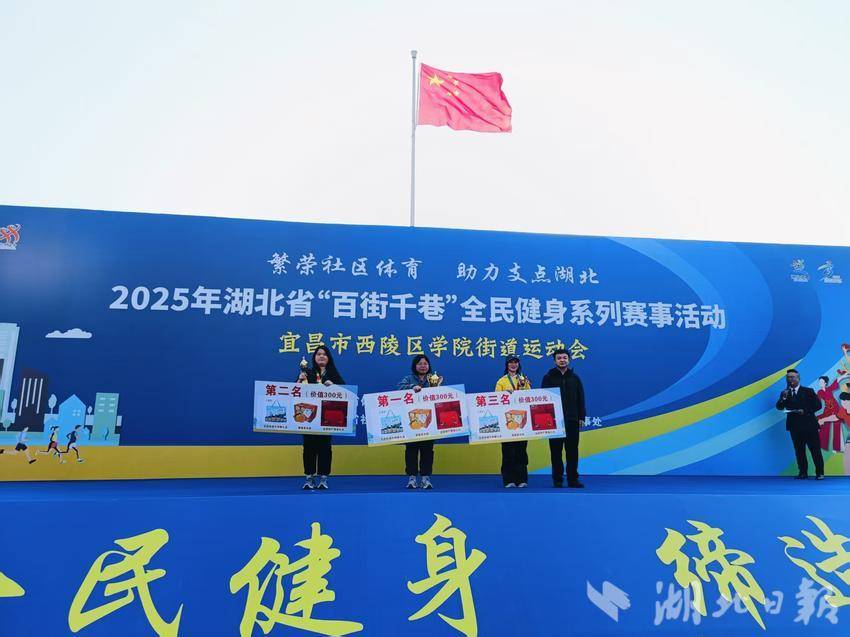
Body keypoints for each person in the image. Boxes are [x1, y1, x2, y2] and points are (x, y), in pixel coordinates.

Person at [296, 346, 344, 490]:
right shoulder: (307, 373)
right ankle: (309, 478)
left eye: (324, 354)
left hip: (326, 418)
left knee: (325, 448)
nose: (321, 356)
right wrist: (299, 380)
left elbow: (345, 393)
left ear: (329, 358)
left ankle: (323, 478)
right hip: (308, 417)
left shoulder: (333, 373)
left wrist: (334, 386)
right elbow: (295, 392)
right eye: (318, 354)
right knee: (308, 448)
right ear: (314, 357)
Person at [541, 348, 585, 488]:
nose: (562, 360)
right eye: (559, 358)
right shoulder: (548, 378)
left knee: (572, 451)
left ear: (569, 360)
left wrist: (581, 417)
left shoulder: (575, 378)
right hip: (553, 421)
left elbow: (580, 398)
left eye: (565, 358)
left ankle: (573, 479)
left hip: (572, 419)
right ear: (555, 361)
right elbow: (543, 400)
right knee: (555, 452)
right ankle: (557, 479)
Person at [398, 354, 439, 490]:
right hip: (412, 421)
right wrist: (412, 387)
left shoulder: (434, 379)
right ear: (415, 366)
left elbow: (441, 394)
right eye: (420, 364)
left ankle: (426, 478)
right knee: (411, 450)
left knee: (428, 450)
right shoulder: (408, 378)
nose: (423, 366)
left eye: (425, 363)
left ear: (429, 366)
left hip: (429, 422)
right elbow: (399, 388)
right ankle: (412, 477)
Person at [776, 368, 824, 480]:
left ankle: (820, 473)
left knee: (815, 449)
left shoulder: (808, 391)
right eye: (788, 377)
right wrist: (783, 398)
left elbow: (818, 405)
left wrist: (805, 411)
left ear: (798, 378)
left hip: (809, 425)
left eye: (793, 377)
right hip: (794, 426)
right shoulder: (785, 393)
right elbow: (779, 407)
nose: (790, 379)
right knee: (799, 450)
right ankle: (803, 472)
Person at [495, 355, 531, 488]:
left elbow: (530, 396)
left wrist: (522, 389)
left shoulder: (524, 380)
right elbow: (496, 399)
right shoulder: (501, 381)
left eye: (516, 362)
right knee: (508, 451)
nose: (513, 365)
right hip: (507, 421)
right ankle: (508, 479)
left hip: (522, 420)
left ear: (518, 364)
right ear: (507, 365)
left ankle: (522, 479)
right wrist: (505, 394)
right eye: (511, 362)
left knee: (521, 451)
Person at [816, 375, 847, 452]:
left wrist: (844, 376)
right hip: (827, 410)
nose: (820, 383)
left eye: (821, 381)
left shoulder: (829, 389)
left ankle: (838, 448)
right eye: (819, 382)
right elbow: (817, 402)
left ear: (825, 383)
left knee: (837, 427)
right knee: (825, 426)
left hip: (836, 408)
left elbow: (836, 381)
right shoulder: (819, 392)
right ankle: (822, 444)